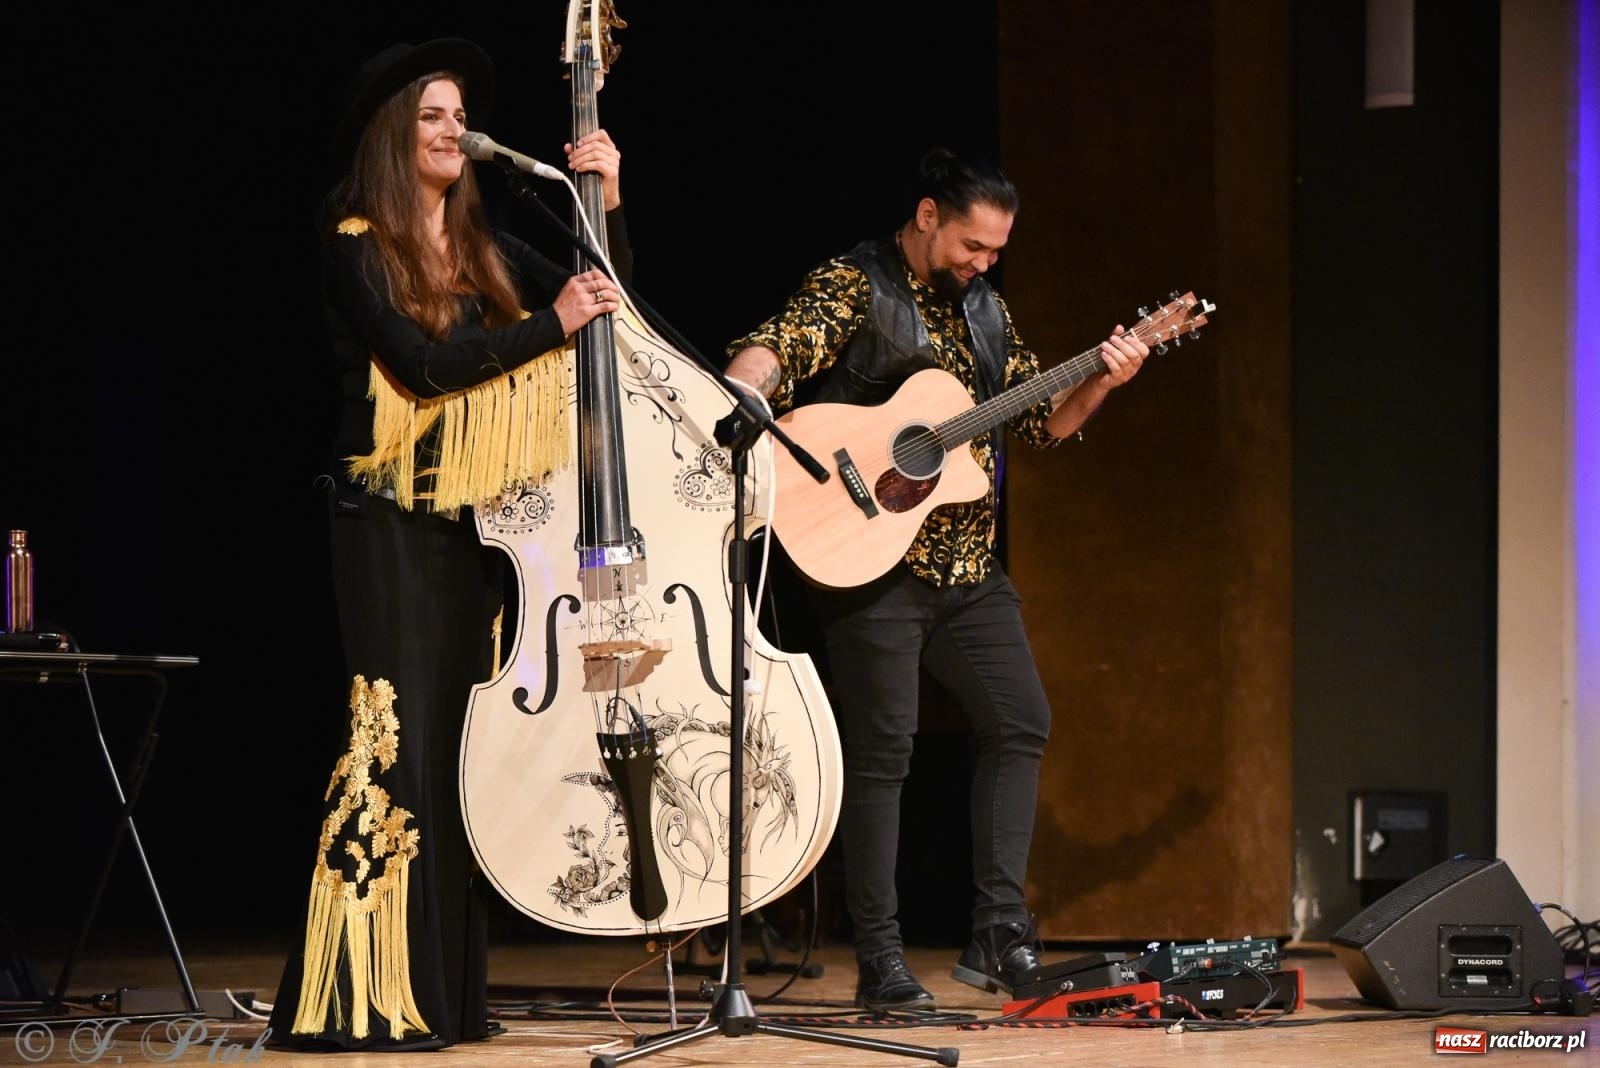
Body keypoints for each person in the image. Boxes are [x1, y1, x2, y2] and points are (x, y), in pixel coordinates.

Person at [267, 37, 631, 1051]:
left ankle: (439, 995)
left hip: (471, 525)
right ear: (395, 132)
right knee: (395, 748)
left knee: (458, 758)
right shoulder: (353, 236)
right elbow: (423, 368)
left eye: (457, 115)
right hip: (382, 517)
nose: (452, 131)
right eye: (432, 115)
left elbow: (599, 305)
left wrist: (606, 200)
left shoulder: (480, 246)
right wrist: (543, 326)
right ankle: (359, 998)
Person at [723, 148, 1149, 1012]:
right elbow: (781, 343)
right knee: (886, 754)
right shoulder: (858, 281)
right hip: (868, 558)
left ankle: (998, 933)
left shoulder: (985, 310)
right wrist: (745, 389)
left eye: (995, 251)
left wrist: (1104, 379)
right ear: (927, 216)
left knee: (1020, 718)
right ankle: (879, 961)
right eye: (973, 245)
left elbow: (1042, 422)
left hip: (967, 564)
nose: (984, 263)